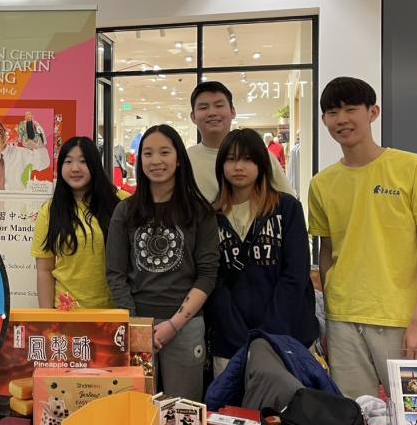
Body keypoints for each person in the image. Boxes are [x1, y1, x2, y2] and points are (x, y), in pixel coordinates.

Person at [308, 77, 417, 399]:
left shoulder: (414, 167)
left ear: (372, 112)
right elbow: (327, 251)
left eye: (350, 109)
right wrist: (330, 317)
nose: (341, 119)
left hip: (399, 317)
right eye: (333, 112)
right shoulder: (322, 183)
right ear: (324, 120)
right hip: (343, 319)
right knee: (356, 417)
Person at [107, 124, 218, 401]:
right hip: (136, 326)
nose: (156, 161)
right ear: (139, 159)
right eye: (148, 153)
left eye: (164, 152)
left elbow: (207, 275)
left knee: (183, 418)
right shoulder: (126, 210)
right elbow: (115, 273)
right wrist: (136, 324)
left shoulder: (199, 211)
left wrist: (174, 324)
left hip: (186, 325)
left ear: (178, 158)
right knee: (136, 411)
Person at [206, 129, 318, 378]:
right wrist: (239, 335)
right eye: (231, 159)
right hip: (231, 344)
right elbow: (213, 280)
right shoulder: (210, 216)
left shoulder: (287, 208)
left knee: (290, 413)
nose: (239, 166)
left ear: (261, 163)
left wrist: (268, 335)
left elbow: (296, 273)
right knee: (233, 414)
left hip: (289, 337)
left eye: (247, 159)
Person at [32, 137, 125, 309]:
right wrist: (46, 318)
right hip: (67, 314)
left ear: (95, 165)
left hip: (114, 312)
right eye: (68, 161)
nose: (75, 168)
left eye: (83, 161)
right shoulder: (50, 211)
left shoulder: (121, 203)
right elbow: (44, 270)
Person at [187, 81, 293, 203]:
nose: (212, 113)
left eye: (219, 105)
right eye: (203, 107)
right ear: (193, 116)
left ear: (233, 112)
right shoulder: (185, 159)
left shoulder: (258, 154)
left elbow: (288, 201)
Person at [0, 121, 50, 191]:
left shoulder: (21, 153)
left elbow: (43, 164)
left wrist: (38, 146)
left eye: (1, 132)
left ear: (5, 134)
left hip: (16, 201)